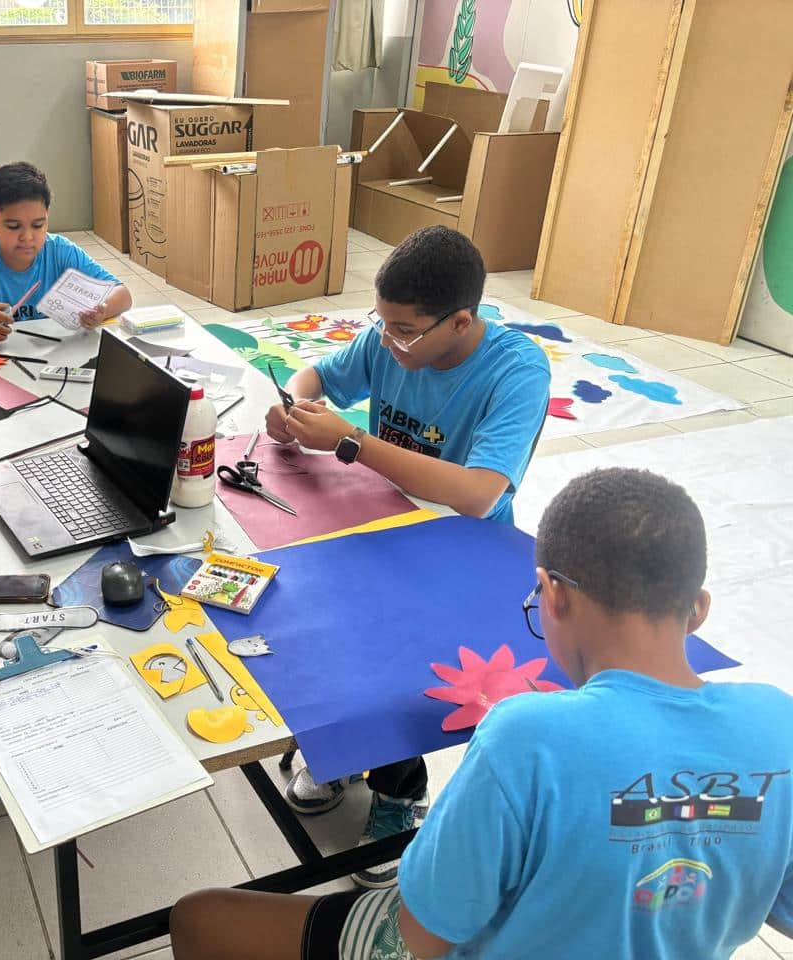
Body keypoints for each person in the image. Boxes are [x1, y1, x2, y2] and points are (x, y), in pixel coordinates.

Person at [171, 467, 793, 960]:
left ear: (552, 595)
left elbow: (420, 935)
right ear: (698, 608)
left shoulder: (528, 735)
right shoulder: (778, 722)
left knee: (199, 917)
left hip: (441, 936)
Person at [267, 225, 551, 883]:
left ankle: (400, 791)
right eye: (383, 324)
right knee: (313, 609)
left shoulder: (516, 370)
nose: (388, 342)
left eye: (404, 332)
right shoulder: (391, 339)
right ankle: (342, 751)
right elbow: (318, 374)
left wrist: (352, 442)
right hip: (383, 516)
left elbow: (478, 494)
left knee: (397, 654)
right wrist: (297, 406)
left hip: (465, 549)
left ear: (460, 322)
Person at [0, 161, 131, 340]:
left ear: (47, 216)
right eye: (13, 226)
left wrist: (102, 309)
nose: (27, 237)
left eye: (38, 225)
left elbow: (123, 294)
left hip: (53, 358)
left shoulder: (60, 251)